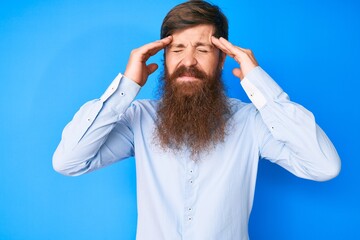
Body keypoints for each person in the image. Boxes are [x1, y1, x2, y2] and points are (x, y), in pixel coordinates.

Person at [53, 1, 341, 239]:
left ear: (222, 59)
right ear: (163, 58)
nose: (188, 61)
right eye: (177, 49)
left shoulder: (250, 122)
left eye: (202, 50)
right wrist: (126, 86)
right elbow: (69, 162)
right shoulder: (138, 118)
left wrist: (260, 84)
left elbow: (324, 166)